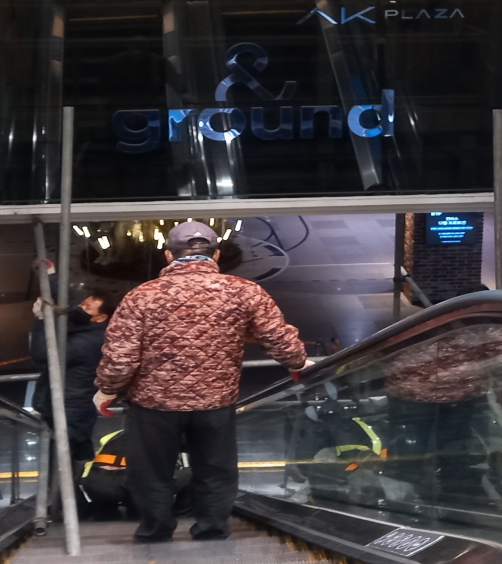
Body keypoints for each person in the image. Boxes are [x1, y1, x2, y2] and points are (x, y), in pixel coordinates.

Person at [93, 220, 306, 542]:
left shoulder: (141, 296)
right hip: (216, 402)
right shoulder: (245, 291)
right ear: (216, 254)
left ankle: (155, 531)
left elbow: (121, 357)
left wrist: (106, 389)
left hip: (154, 405)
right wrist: (298, 363)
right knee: (215, 469)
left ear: (169, 255)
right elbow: (279, 338)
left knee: (151, 471)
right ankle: (212, 529)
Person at [29, 286, 119, 465]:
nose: (80, 308)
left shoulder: (91, 341)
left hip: (69, 408)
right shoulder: (87, 327)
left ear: (101, 318)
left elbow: (42, 354)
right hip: (74, 404)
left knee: (64, 456)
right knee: (76, 447)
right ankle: (82, 469)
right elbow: (67, 306)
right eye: (83, 304)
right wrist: (53, 280)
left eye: (87, 308)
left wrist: (41, 321)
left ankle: (74, 477)